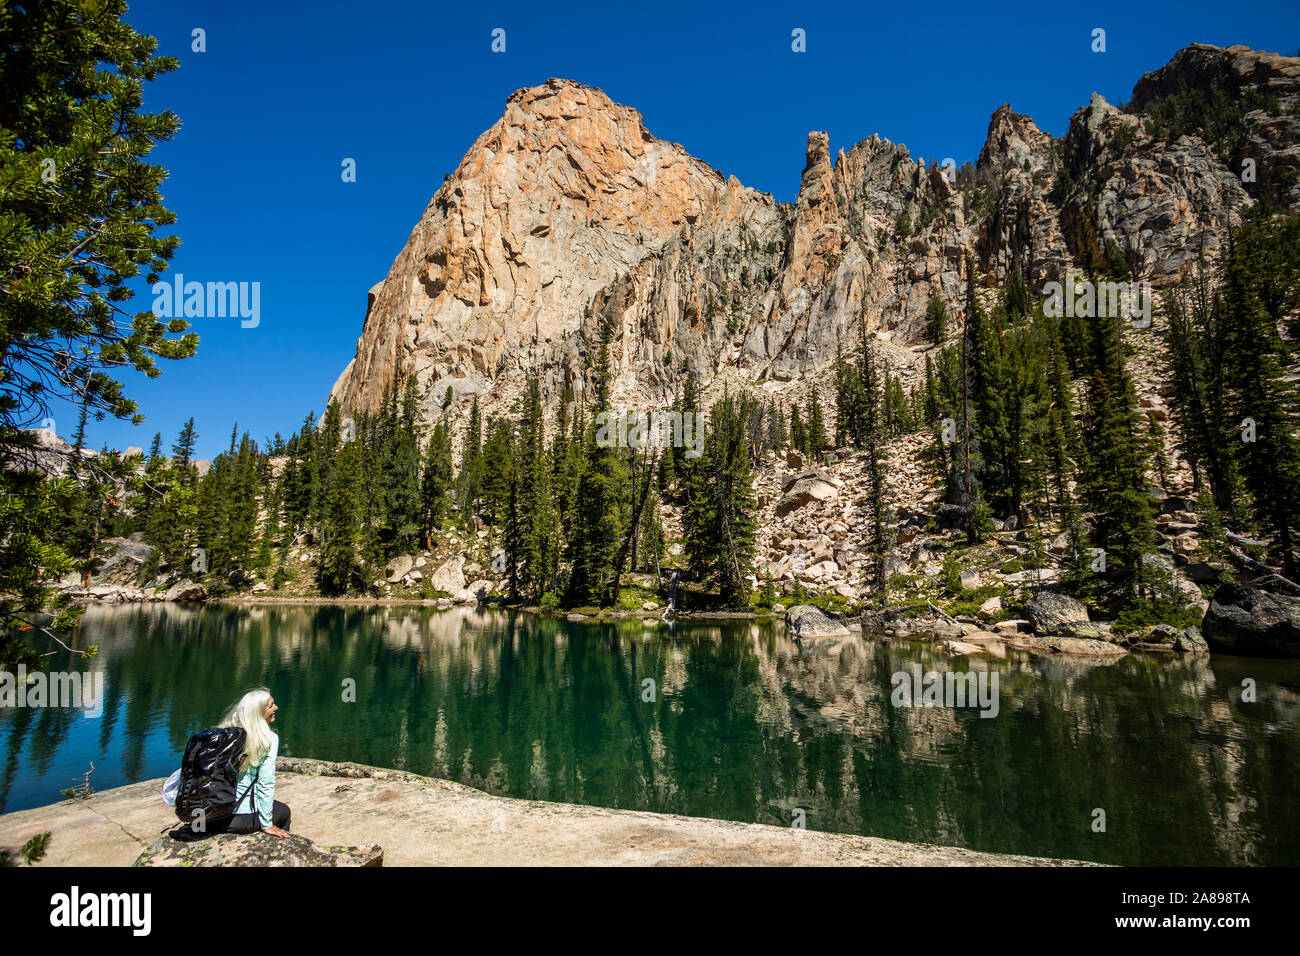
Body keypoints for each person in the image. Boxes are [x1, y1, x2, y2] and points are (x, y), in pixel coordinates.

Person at [218, 688, 291, 838]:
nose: (276, 707)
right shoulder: (267, 739)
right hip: (236, 818)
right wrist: (267, 824)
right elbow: (266, 783)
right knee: (284, 811)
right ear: (257, 713)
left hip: (208, 816)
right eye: (271, 706)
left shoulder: (222, 735)